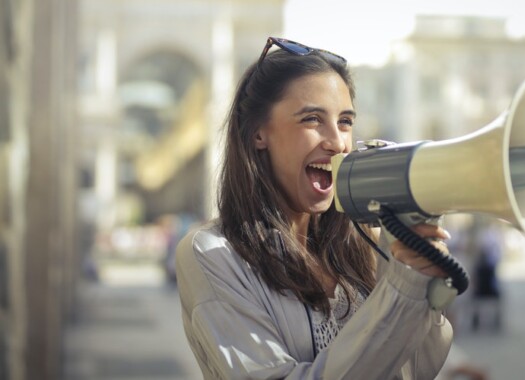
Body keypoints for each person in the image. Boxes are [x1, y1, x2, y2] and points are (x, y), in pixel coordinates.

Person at [175, 37, 454, 379]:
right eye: (312, 119)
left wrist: (419, 282)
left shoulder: (365, 239)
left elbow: (413, 370)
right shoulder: (212, 254)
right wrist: (400, 291)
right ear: (258, 134)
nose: (337, 142)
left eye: (346, 122)